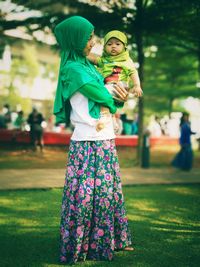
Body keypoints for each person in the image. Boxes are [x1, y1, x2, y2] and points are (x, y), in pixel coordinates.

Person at [53, 16, 133, 264]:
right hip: (88, 142)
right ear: (75, 39)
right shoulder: (73, 69)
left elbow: (115, 94)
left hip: (105, 137)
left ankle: (108, 241)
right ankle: (82, 246)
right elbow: (104, 95)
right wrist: (117, 96)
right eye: (88, 37)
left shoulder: (88, 65)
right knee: (87, 196)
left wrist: (120, 95)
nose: (93, 42)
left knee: (107, 193)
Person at [87, 30, 143, 131]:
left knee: (102, 95)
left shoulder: (126, 60)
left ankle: (104, 117)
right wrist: (83, 56)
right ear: (104, 47)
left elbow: (133, 72)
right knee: (107, 99)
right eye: (109, 44)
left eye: (117, 44)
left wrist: (137, 85)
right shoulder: (104, 60)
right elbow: (94, 59)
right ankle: (112, 119)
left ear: (124, 47)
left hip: (119, 86)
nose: (113, 46)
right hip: (109, 86)